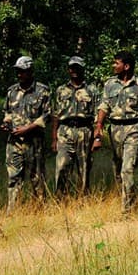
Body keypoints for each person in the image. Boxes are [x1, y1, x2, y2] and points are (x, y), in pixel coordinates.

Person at [93, 51, 138, 214]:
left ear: (126, 66)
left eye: (116, 63)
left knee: (127, 168)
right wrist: (99, 126)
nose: (114, 66)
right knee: (118, 168)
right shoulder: (110, 84)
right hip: (115, 130)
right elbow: (104, 105)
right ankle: (129, 200)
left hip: (134, 129)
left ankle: (126, 210)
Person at [1, 55, 51, 213]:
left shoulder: (42, 91)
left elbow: (47, 115)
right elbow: (7, 112)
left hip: (34, 142)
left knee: (37, 177)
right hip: (14, 142)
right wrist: (6, 123)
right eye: (17, 71)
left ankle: (39, 212)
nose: (19, 74)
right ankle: (13, 212)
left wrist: (28, 128)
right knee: (14, 177)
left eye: (22, 71)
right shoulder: (12, 91)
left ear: (30, 72)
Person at [52, 56, 99, 197]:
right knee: (61, 167)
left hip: (84, 131)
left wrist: (97, 137)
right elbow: (55, 115)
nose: (74, 71)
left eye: (77, 68)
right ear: (68, 69)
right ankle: (60, 199)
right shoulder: (61, 90)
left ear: (83, 69)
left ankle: (83, 201)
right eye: (72, 68)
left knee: (84, 169)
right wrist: (54, 138)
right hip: (64, 131)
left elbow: (98, 115)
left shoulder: (92, 90)